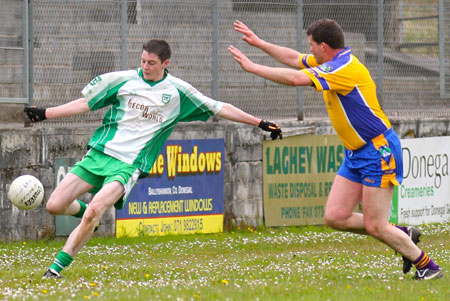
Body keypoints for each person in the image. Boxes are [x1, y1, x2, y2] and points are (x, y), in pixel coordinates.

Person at [25, 39, 283, 279]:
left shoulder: (179, 92)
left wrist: (259, 122)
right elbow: (86, 103)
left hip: (129, 165)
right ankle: (87, 219)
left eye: (151, 63)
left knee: (95, 209)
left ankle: (56, 268)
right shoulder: (122, 81)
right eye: (143, 61)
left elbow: (220, 107)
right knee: (55, 206)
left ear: (165, 64)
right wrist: (45, 113)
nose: (145, 67)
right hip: (99, 153)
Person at [228, 19, 443, 280]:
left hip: (379, 150)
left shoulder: (343, 68)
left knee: (375, 225)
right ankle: (400, 233)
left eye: (312, 45)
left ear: (324, 46)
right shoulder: (330, 61)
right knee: (335, 216)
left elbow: (297, 79)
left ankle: (428, 267)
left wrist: (253, 68)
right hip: (357, 152)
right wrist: (259, 43)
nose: (309, 51)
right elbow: (295, 59)